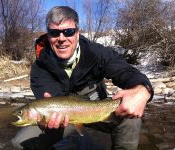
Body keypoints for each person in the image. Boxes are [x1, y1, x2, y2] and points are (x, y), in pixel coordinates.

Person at [12, 6, 154, 150]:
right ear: (48, 36)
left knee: (130, 119)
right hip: (63, 118)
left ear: (77, 33)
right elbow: (48, 101)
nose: (62, 38)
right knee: (20, 143)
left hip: (98, 111)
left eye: (68, 32)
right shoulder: (40, 67)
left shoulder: (96, 52)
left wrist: (143, 89)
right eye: (54, 33)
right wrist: (45, 118)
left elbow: (125, 71)